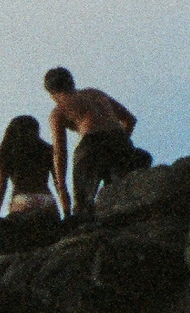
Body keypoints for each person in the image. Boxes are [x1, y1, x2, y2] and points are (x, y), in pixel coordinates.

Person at [45, 67, 144, 215]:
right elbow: (129, 120)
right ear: (72, 82)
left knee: (84, 206)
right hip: (120, 140)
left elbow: (60, 152)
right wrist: (119, 143)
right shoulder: (95, 93)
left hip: (91, 146)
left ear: (52, 94)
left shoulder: (58, 111)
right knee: (126, 194)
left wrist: (61, 187)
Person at [0, 115, 60, 217]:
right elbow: (58, 182)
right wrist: (66, 209)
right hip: (46, 198)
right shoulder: (47, 149)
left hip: (21, 199)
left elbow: (1, 185)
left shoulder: (6, 152)